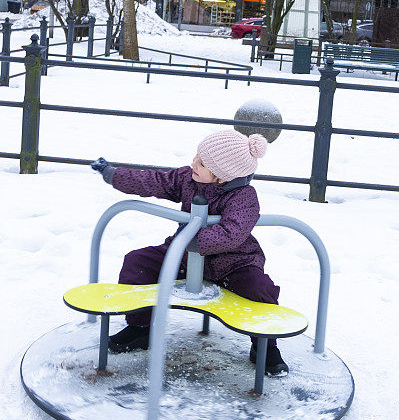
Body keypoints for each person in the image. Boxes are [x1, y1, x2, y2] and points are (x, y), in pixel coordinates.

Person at [90, 130, 289, 375]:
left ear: (222, 176)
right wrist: (115, 175)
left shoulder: (244, 197)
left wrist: (192, 239)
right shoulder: (188, 178)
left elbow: (232, 233)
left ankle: (265, 346)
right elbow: (154, 181)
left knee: (260, 289)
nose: (194, 162)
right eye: (197, 156)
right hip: (185, 255)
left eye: (203, 162)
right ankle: (139, 329)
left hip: (233, 263)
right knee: (137, 263)